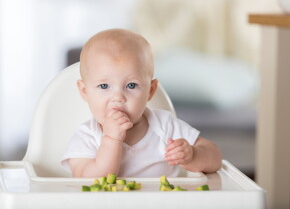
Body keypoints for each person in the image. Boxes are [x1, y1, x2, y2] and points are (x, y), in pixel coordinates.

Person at [61, 28, 222, 177]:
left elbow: (214, 158)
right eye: (104, 86)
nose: (118, 97)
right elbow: (86, 180)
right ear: (84, 92)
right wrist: (111, 140)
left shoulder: (165, 127)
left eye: (131, 85)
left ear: (150, 91)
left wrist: (193, 155)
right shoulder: (87, 136)